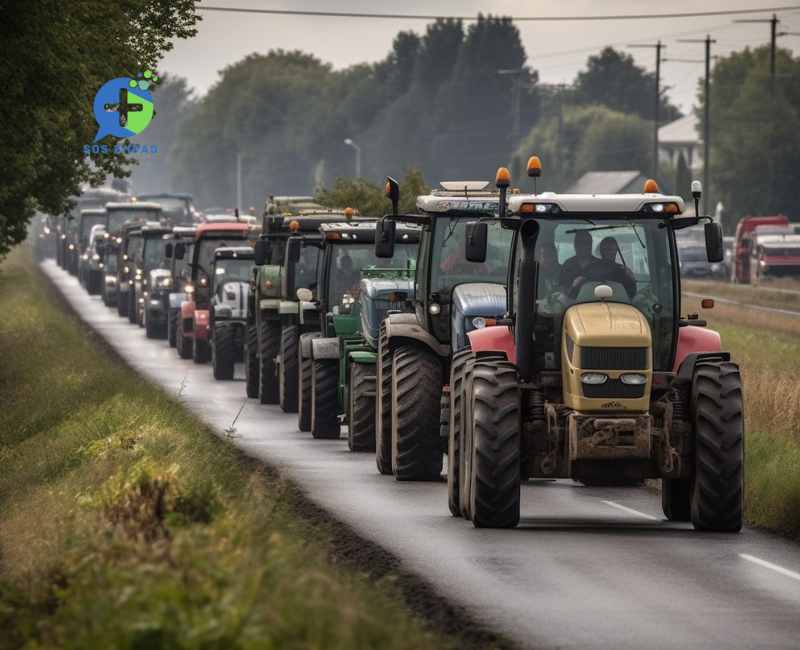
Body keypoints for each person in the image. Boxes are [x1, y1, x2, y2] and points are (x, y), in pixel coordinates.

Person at [559, 230, 598, 296]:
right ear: (575, 245)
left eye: (588, 243)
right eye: (581, 243)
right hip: (571, 301)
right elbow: (562, 291)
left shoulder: (599, 264)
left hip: (594, 300)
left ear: (591, 244)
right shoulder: (567, 265)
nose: (585, 246)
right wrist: (574, 285)